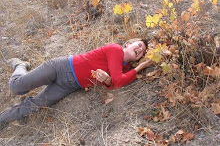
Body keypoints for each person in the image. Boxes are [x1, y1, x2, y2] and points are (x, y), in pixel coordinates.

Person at [0, 38, 152, 130]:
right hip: (61, 68)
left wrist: (108, 80)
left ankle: (2, 119)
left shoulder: (125, 68)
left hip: (69, 85)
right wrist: (139, 69)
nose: (140, 49)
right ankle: (19, 66)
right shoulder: (116, 50)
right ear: (128, 43)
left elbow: (114, 84)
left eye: (143, 51)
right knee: (17, 87)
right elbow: (118, 81)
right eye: (138, 45)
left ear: (139, 58)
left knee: (35, 106)